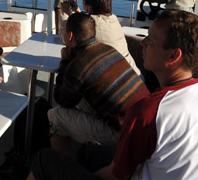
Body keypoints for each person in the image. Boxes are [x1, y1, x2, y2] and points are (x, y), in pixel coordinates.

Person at [29, 10, 198, 180]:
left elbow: (115, 175)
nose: (142, 44)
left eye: (150, 41)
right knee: (90, 152)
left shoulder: (149, 111)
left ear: (173, 56)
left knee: (43, 160)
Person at [48, 12, 148, 156]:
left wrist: (64, 62)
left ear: (69, 36)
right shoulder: (108, 49)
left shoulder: (79, 65)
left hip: (125, 136)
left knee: (55, 116)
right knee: (78, 98)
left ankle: (64, 168)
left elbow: (61, 99)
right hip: (142, 127)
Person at [62, 0, 140, 75]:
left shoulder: (92, 24)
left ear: (89, 5)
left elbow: (67, 38)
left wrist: (65, 14)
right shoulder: (113, 20)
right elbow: (89, 22)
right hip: (130, 72)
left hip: (112, 75)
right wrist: (77, 11)